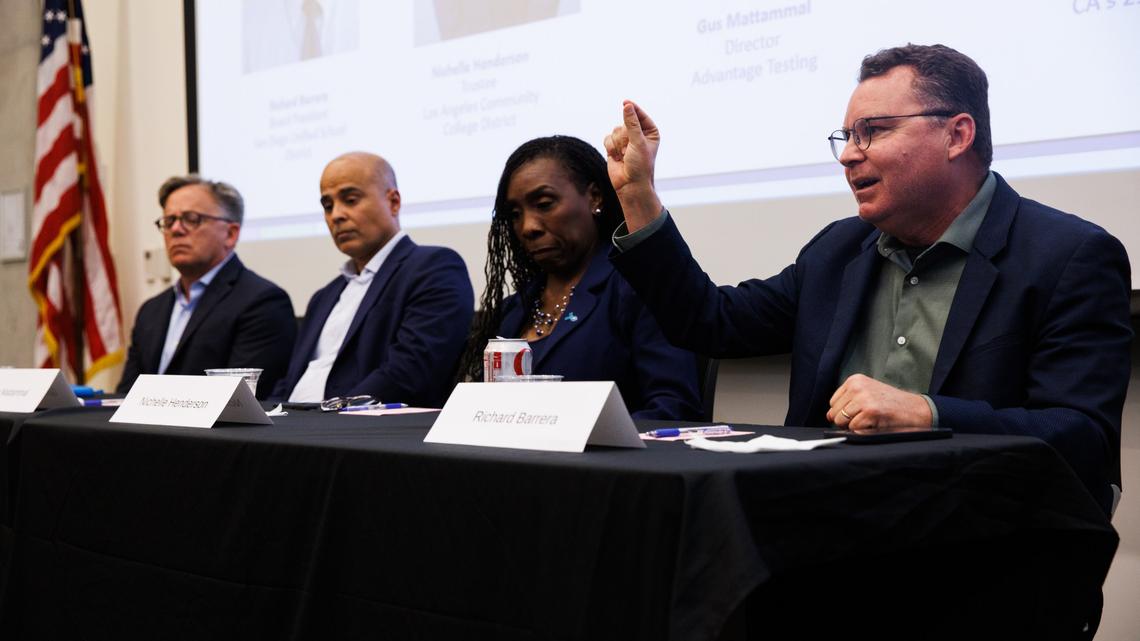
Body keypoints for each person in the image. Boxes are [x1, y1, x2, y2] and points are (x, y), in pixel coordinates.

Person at [603, 44, 1131, 515]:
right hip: (825, 530)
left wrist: (929, 413)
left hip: (979, 540)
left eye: (872, 131)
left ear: (957, 135)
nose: (850, 154)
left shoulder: (1069, 257)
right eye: (847, 136)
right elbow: (711, 323)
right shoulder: (839, 250)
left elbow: (1081, 438)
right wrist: (637, 196)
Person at [458, 136, 702, 420]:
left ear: (595, 198)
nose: (528, 227)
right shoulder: (512, 311)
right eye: (515, 214)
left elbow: (674, 408)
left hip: (606, 463)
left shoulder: (637, 290)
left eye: (545, 203)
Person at [274, 152, 474, 407]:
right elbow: (292, 380)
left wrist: (328, 415)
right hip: (292, 429)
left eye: (350, 199)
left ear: (393, 202)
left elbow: (408, 373)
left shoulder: (433, 268)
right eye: (327, 205)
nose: (336, 215)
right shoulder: (323, 297)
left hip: (356, 433)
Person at [118, 175, 297, 398]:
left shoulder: (263, 302)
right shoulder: (151, 310)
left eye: (191, 219)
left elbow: (240, 402)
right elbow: (125, 396)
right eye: (168, 221)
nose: (176, 230)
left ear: (230, 234)